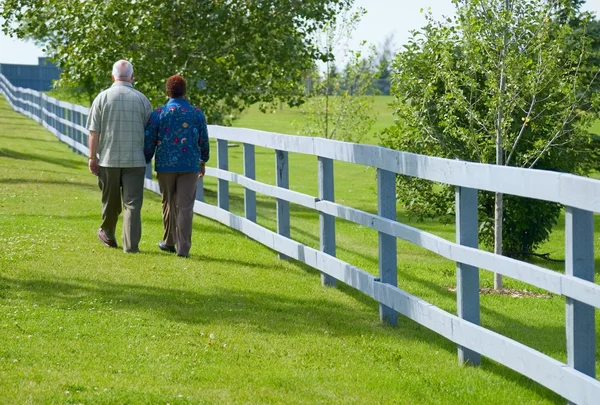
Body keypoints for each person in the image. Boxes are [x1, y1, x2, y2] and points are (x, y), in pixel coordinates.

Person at [87, 59, 153, 253]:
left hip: (109, 159)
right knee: (132, 204)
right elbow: (149, 131)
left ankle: (107, 232)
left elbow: (94, 131)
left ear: (112, 75)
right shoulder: (142, 99)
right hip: (135, 160)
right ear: (132, 77)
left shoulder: (102, 98)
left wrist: (92, 157)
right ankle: (131, 246)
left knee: (111, 201)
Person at [143, 75, 210, 258]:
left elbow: (149, 138)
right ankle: (183, 249)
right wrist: (203, 160)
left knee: (169, 203)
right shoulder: (196, 113)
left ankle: (169, 241)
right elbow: (203, 139)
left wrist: (147, 157)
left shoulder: (159, 113)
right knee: (186, 206)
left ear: (167, 91)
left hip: (165, 164)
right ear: (185, 91)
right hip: (190, 164)